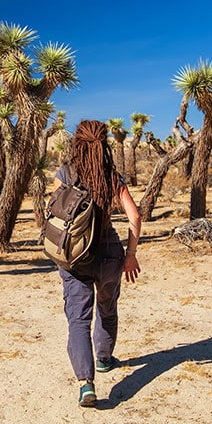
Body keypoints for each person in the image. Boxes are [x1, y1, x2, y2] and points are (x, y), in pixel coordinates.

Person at [53, 120, 141, 407]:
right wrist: (130, 254)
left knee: (78, 319)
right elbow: (135, 217)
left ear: (76, 144)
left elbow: (54, 214)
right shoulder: (112, 177)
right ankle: (104, 359)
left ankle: (86, 384)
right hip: (109, 254)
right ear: (104, 144)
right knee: (107, 307)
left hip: (75, 256)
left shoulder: (64, 174)